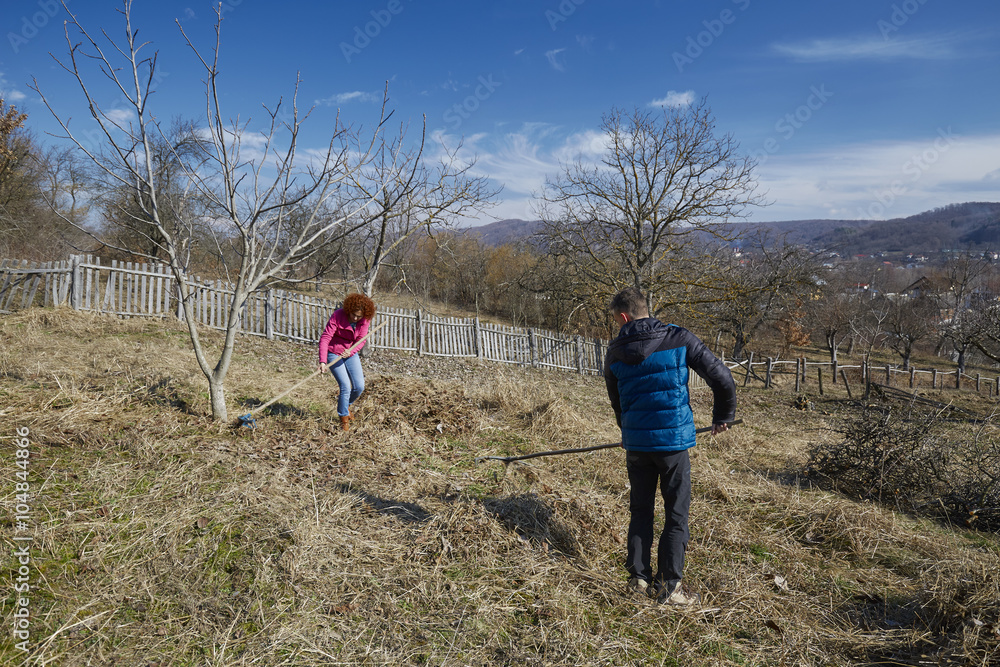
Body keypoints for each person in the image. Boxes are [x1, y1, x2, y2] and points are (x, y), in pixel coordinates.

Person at [604, 286, 736, 606]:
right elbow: (721, 376)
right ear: (645, 309)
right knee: (676, 514)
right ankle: (669, 587)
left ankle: (638, 577)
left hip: (637, 446)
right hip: (673, 445)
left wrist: (627, 430)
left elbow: (617, 401)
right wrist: (722, 416)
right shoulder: (678, 338)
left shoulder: (614, 351)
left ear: (624, 317)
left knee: (641, 510)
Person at [318, 293, 376, 431]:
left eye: (358, 316)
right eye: (353, 315)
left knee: (359, 387)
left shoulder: (364, 320)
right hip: (334, 352)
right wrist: (322, 361)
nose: (355, 318)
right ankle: (344, 419)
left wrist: (350, 351)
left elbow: (361, 341)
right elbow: (326, 338)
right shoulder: (338, 315)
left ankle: (345, 405)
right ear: (348, 309)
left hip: (351, 352)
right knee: (345, 386)